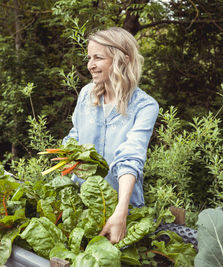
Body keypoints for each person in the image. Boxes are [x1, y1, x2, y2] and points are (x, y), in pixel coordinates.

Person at [62, 27, 159, 244]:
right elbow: (75, 136)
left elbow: (130, 157)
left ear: (122, 60)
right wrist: (66, 154)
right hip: (84, 206)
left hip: (124, 210)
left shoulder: (145, 106)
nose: (90, 65)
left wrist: (120, 211)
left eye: (98, 57)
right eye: (89, 58)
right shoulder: (87, 94)